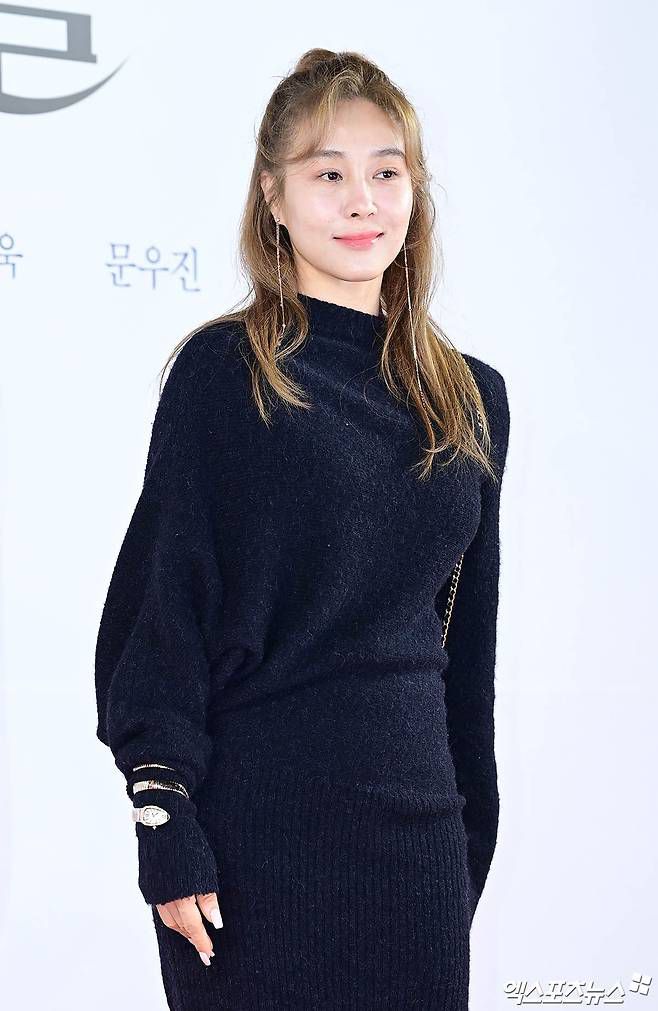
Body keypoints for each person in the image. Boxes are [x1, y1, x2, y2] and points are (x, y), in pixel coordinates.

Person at [94, 48, 510, 1010]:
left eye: (386, 170)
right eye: (328, 174)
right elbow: (162, 611)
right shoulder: (225, 372)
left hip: (417, 847)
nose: (362, 200)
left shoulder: (471, 397)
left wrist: (469, 843)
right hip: (252, 843)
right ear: (272, 197)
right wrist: (163, 816)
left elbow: (466, 652)